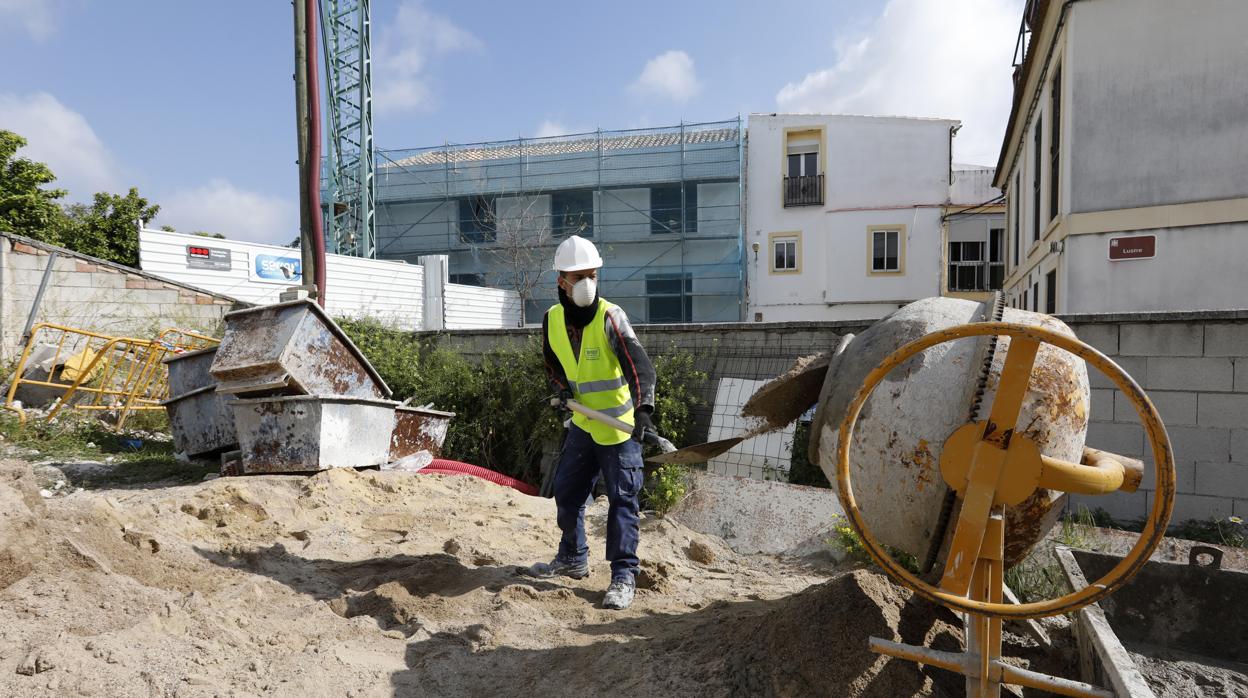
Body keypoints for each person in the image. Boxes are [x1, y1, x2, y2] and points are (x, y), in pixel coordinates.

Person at [526, 235, 656, 611]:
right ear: (561, 282)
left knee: (622, 501)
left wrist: (644, 409)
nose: (586, 283)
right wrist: (559, 391)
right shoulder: (551, 320)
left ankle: (623, 575)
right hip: (584, 423)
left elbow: (639, 367)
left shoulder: (611, 317)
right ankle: (573, 557)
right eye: (578, 275)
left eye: (592, 274)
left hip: (619, 427)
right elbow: (553, 363)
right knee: (567, 493)